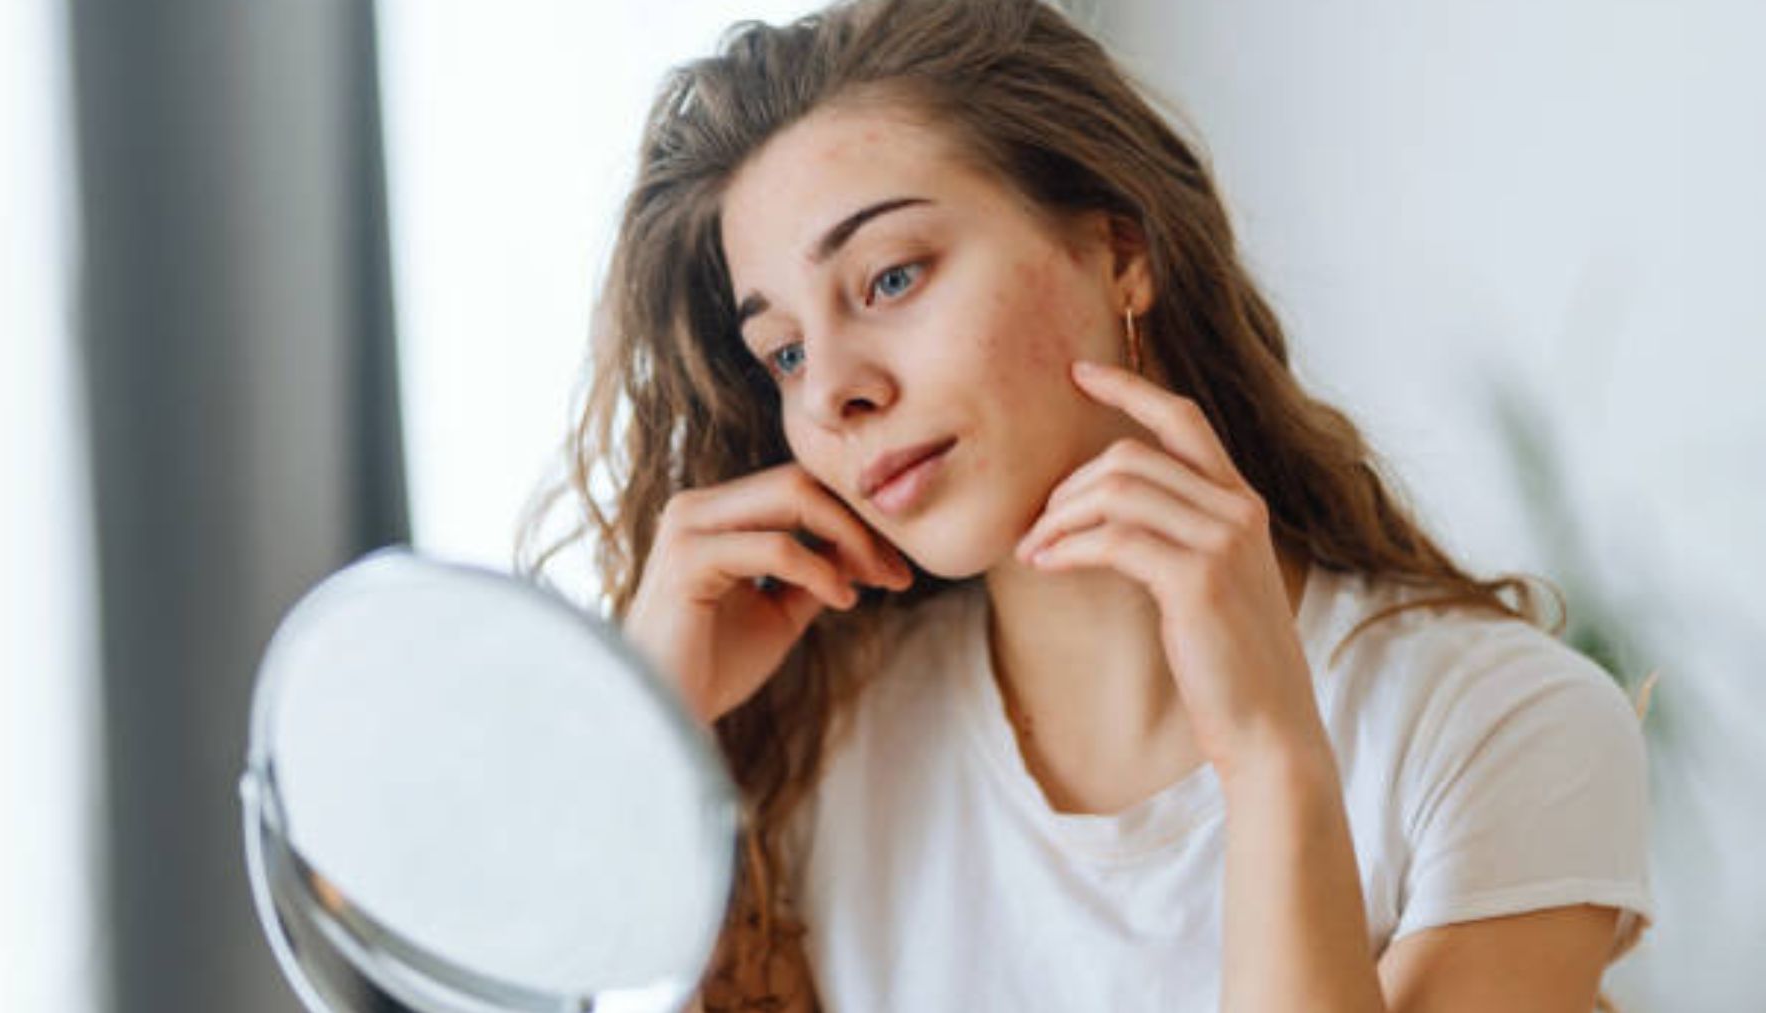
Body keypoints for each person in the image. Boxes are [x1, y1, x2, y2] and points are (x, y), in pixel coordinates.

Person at [517, 0, 1656, 1008]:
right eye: (783, 350)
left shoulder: (1494, 724)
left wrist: (1269, 759)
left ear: (1119, 253)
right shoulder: (826, 734)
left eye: (894, 276)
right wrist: (646, 735)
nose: (836, 389)